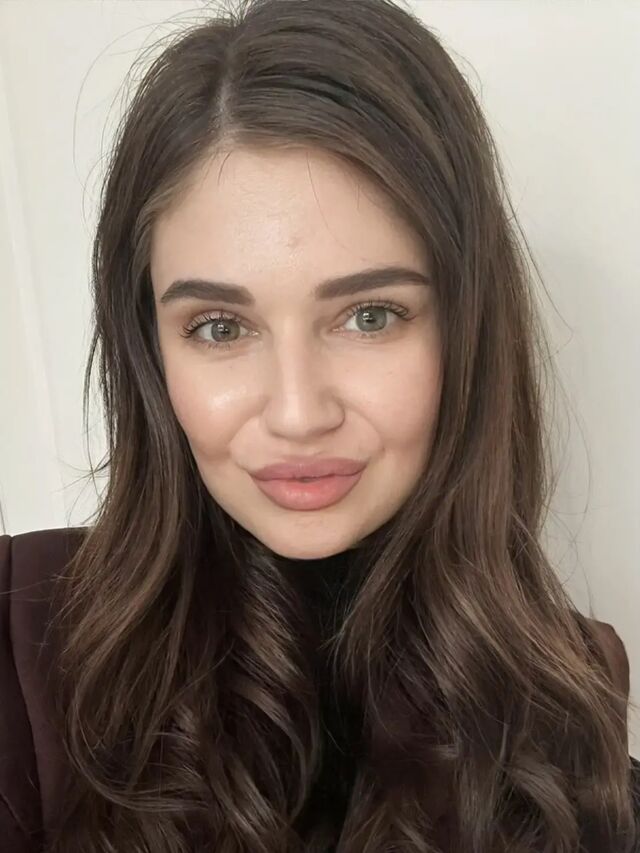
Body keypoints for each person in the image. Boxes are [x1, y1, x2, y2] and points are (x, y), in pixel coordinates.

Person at [0, 0, 637, 850]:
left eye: (370, 316)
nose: (298, 412)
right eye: (219, 327)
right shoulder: (20, 643)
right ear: (150, 348)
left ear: (467, 327)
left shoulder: (568, 683)